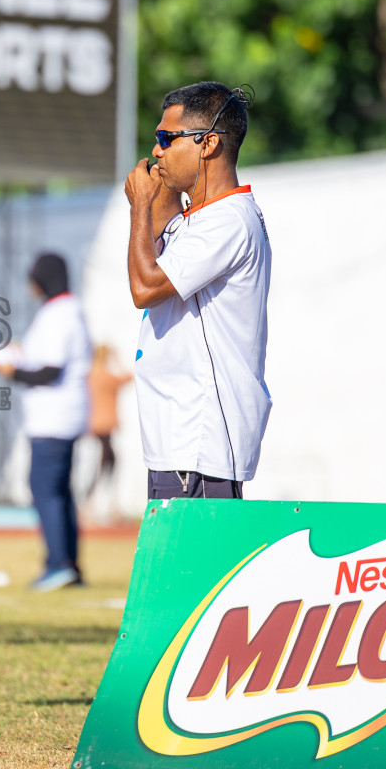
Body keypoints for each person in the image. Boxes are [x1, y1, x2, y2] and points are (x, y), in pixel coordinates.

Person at [125, 82, 272, 499]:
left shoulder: (227, 221)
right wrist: (158, 192)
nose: (156, 151)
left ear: (207, 145)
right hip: (180, 437)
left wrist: (138, 206)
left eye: (166, 139)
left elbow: (145, 285)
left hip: (200, 440)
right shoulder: (203, 219)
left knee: (193, 567)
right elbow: (164, 231)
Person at [0, 253, 93, 591]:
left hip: (53, 418)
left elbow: (49, 370)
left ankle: (58, 563)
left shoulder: (60, 314)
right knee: (59, 492)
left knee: (45, 490)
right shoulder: (63, 311)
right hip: (61, 416)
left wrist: (8, 370)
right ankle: (69, 564)